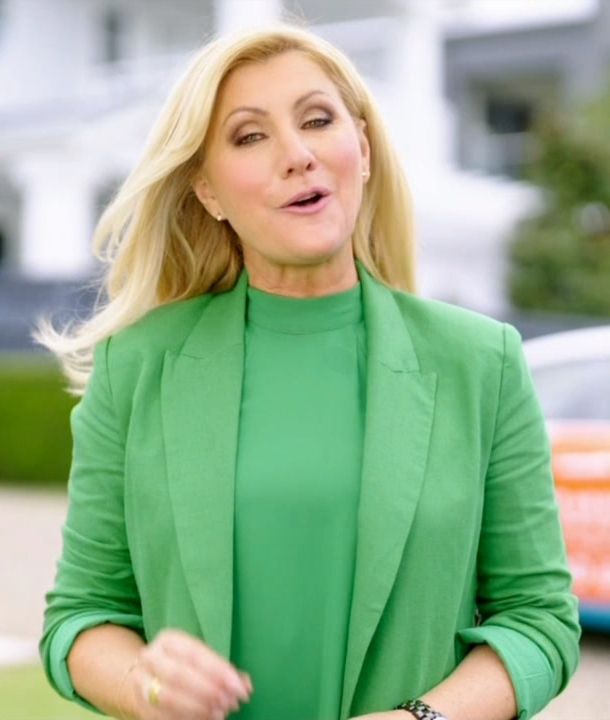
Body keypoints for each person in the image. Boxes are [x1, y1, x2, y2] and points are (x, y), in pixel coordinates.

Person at [37, 20, 580, 720]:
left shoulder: (484, 362)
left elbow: (539, 621)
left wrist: (423, 719)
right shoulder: (136, 366)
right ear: (208, 192)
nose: (297, 155)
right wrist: (145, 680)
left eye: (317, 120)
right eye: (249, 136)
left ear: (363, 149)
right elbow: (81, 619)